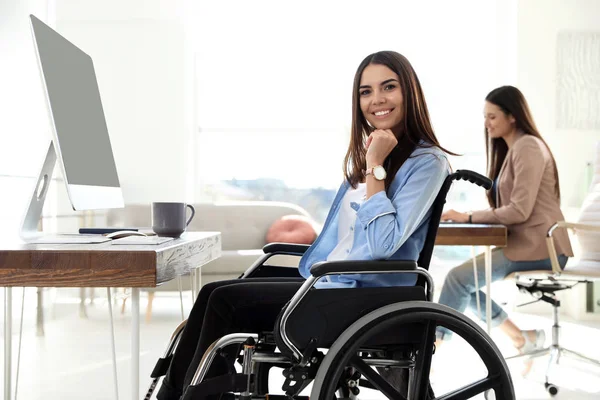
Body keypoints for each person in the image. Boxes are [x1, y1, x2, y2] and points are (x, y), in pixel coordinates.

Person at [156, 50, 452, 400]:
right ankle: (177, 392)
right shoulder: (368, 159)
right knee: (213, 293)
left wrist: (376, 166)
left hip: (367, 293)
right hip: (331, 280)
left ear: (410, 93)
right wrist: (372, 162)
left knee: (226, 302)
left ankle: (193, 396)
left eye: (389, 87)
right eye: (365, 91)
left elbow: (380, 245)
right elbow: (344, 240)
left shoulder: (426, 163)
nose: (377, 100)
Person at [437, 85, 574, 355]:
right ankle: (521, 337)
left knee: (457, 280)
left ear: (512, 116)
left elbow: (519, 211)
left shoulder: (528, 147)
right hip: (527, 243)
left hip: (542, 247)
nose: (486, 124)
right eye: (485, 117)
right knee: (463, 281)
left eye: (492, 117)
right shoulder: (515, 149)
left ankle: (431, 348)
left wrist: (467, 217)